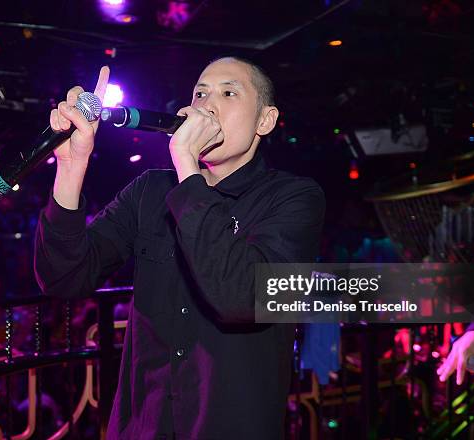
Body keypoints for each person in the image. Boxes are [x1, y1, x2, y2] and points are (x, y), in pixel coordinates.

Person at [34, 57, 325, 439]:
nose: (208, 104)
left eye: (228, 93)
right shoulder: (150, 191)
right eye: (200, 93)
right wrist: (72, 167)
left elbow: (241, 296)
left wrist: (188, 166)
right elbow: (64, 279)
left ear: (265, 121)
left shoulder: (293, 198)